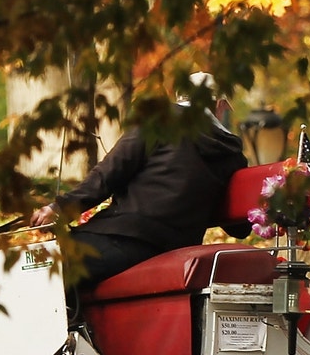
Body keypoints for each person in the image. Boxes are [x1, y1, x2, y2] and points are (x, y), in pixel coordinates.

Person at [29, 74, 250, 290]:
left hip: (125, 236)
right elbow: (241, 229)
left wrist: (60, 207)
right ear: (219, 105)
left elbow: (109, 174)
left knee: (34, 269)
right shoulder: (232, 154)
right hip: (175, 246)